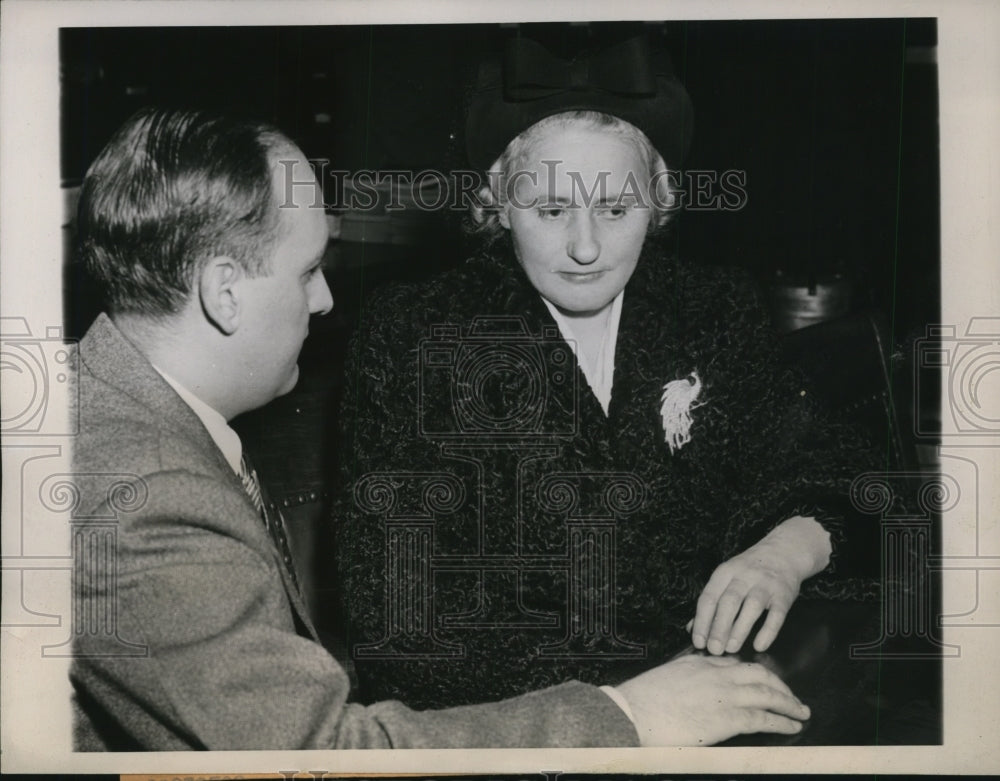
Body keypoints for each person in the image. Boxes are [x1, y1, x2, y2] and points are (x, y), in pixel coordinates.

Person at [69, 106, 812, 750]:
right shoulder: (149, 505)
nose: (325, 300)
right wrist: (632, 714)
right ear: (223, 292)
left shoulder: (122, 415)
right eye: (308, 271)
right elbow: (326, 751)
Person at [336, 34, 877, 713]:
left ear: (658, 202)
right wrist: (632, 708)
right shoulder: (413, 333)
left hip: (718, 693)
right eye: (551, 210)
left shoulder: (710, 307)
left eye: (616, 209)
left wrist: (784, 553)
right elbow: (399, 615)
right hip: (529, 727)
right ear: (497, 204)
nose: (587, 248)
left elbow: (826, 463)